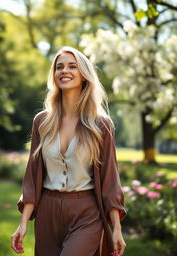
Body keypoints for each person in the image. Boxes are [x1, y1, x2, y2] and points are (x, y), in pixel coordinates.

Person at [11, 46, 127, 256]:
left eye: (72, 66)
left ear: (84, 75)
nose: (64, 70)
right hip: (48, 210)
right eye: (59, 67)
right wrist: (23, 223)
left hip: (86, 211)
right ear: (53, 75)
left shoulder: (101, 124)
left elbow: (110, 178)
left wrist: (116, 228)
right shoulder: (42, 122)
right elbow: (32, 175)